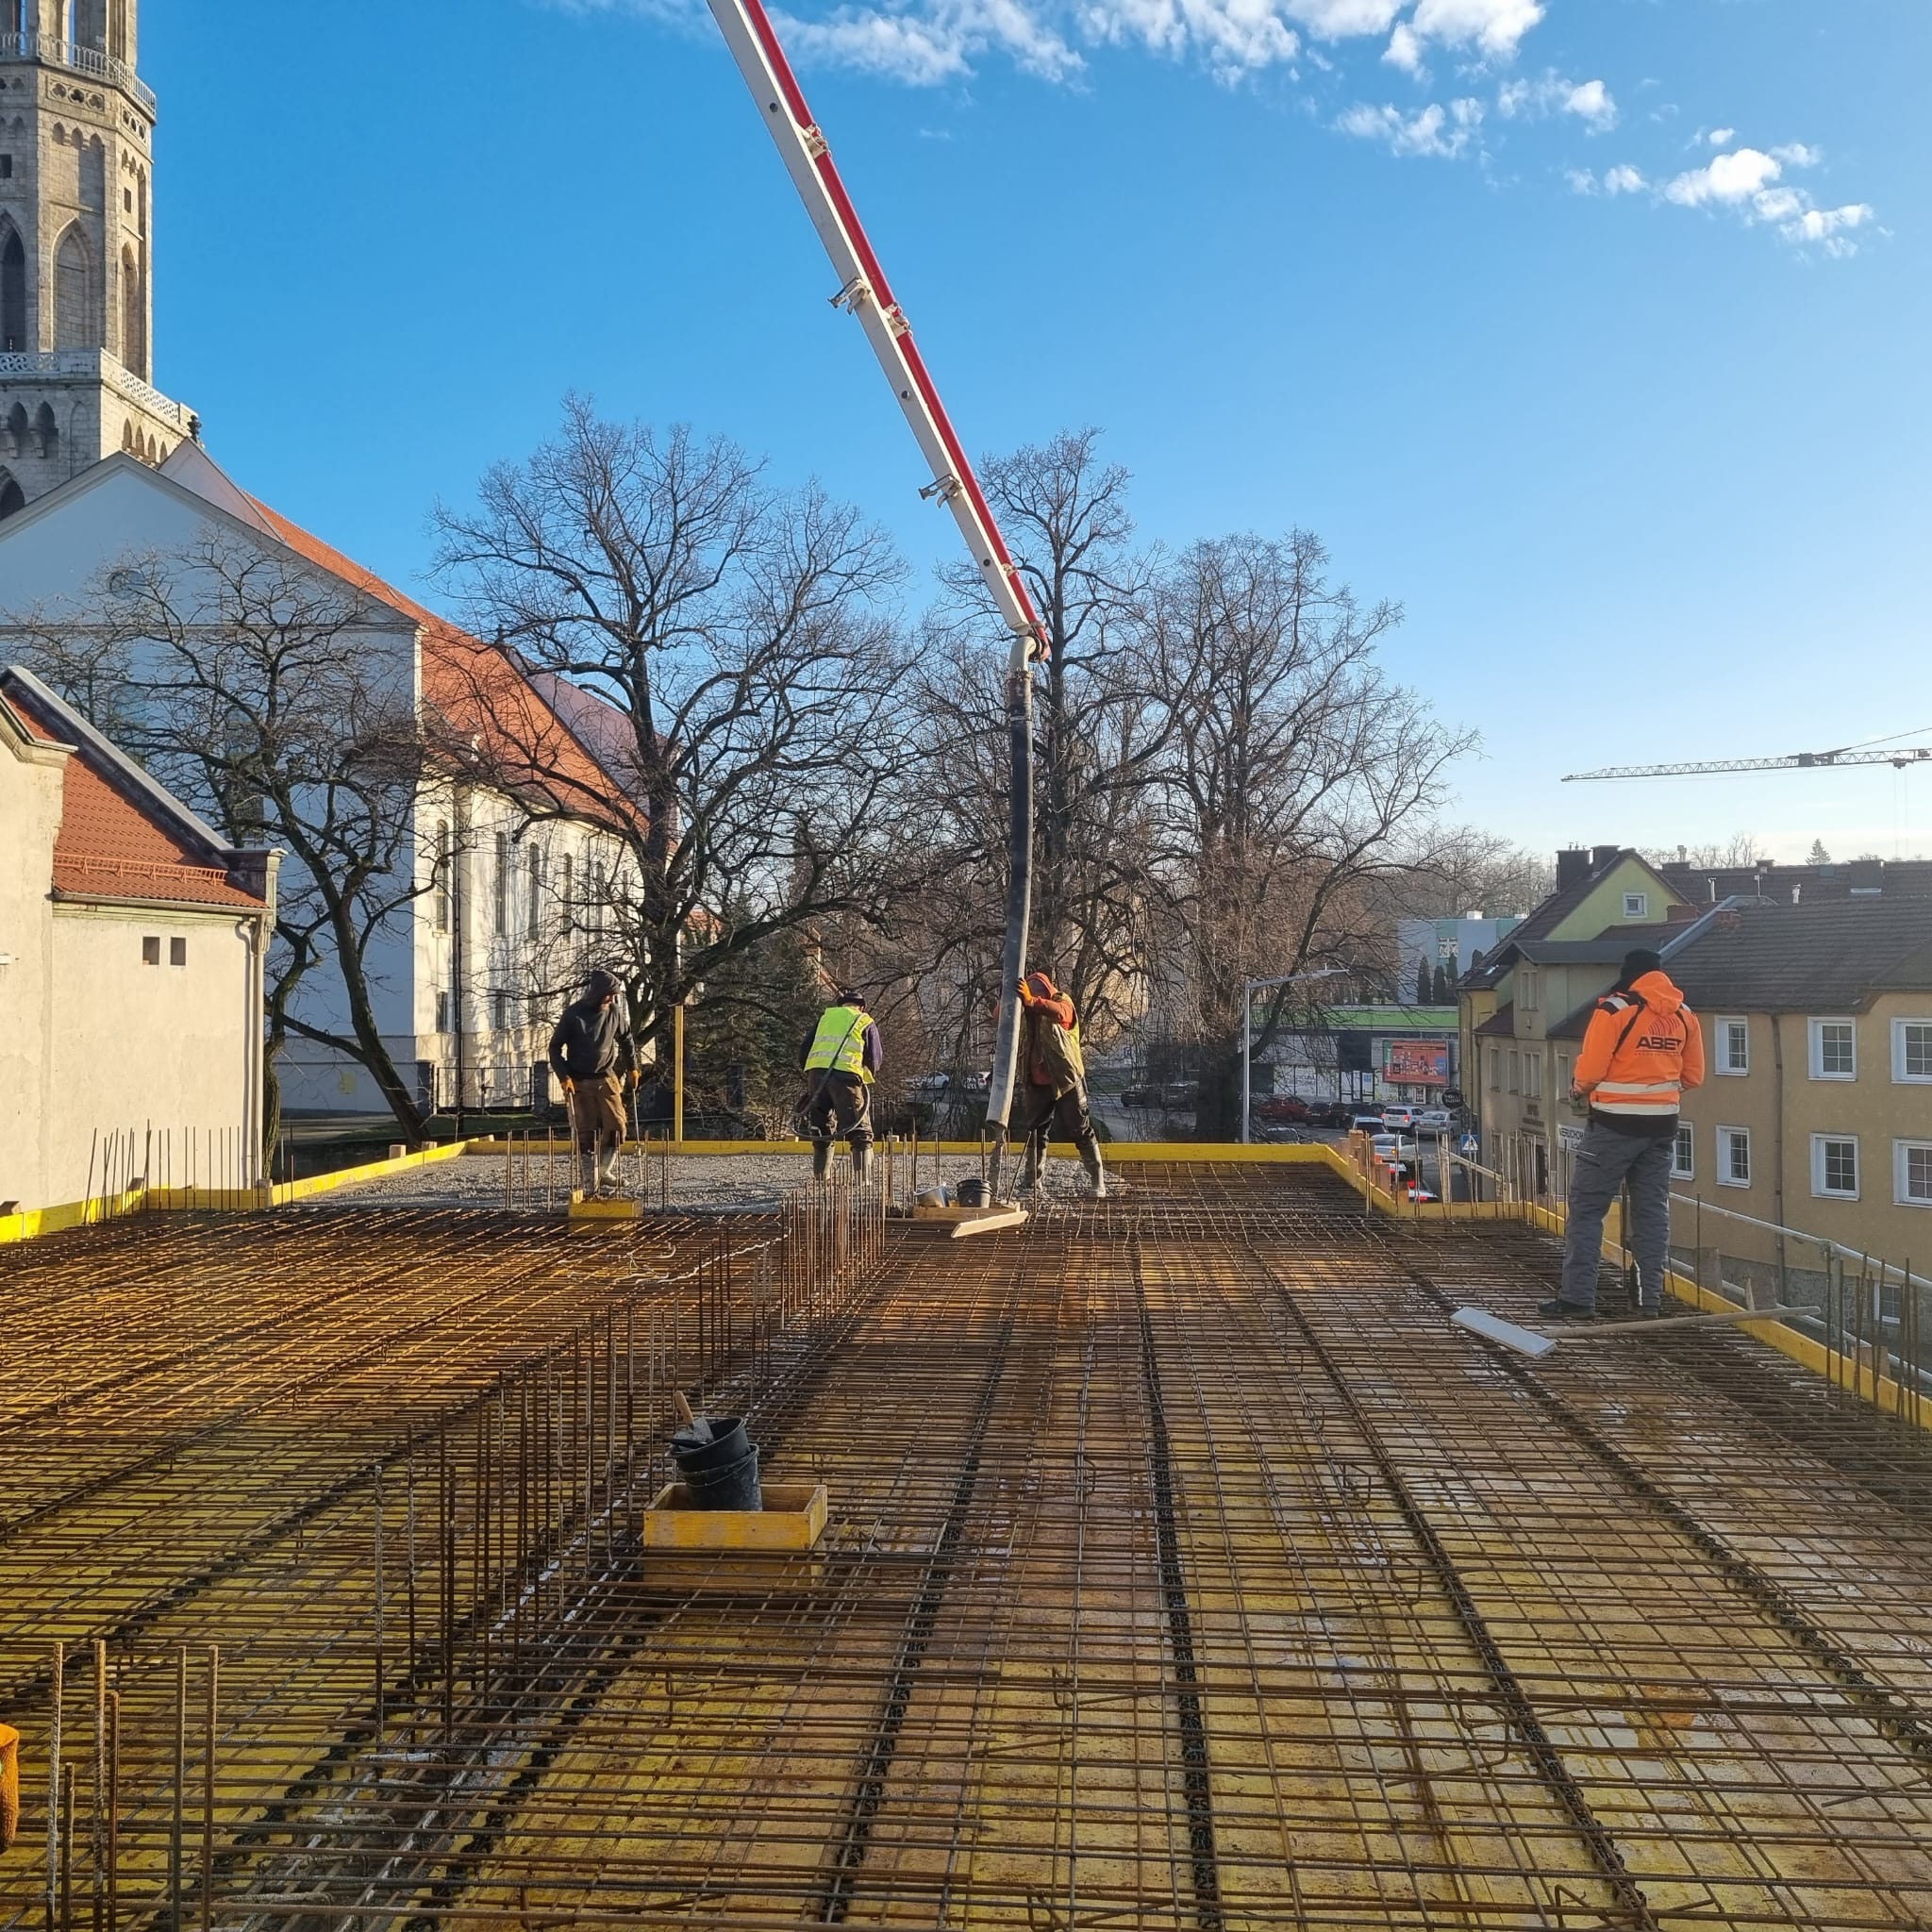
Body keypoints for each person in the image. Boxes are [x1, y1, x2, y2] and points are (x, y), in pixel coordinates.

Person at [1539, 947, 1704, 1320]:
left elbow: (1592, 1069)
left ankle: (1578, 1299)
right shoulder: (1685, 1015)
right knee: (1651, 1213)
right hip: (1662, 1128)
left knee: (1586, 1211)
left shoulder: (1614, 1009)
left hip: (1613, 1127)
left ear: (1628, 975)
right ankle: (1649, 1301)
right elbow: (1693, 1077)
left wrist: (1580, 1088)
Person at [1016, 971, 1108, 1199]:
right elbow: (1000, 1017)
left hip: (1066, 1080)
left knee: (1080, 1129)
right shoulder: (1025, 1012)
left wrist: (1032, 1001)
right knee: (1036, 1131)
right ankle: (1032, 1182)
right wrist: (1010, 1000)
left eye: (1037, 993)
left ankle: (1098, 1181)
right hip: (1037, 1081)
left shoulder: (1061, 1001)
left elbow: (1061, 1014)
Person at [548, 970, 639, 1196]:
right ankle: (590, 1179)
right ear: (598, 993)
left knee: (617, 1127)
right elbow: (554, 1047)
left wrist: (632, 1067)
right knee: (586, 1131)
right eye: (608, 995)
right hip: (580, 1081)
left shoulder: (614, 1013)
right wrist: (563, 1076)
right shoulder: (574, 1015)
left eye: (614, 995)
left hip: (607, 1079)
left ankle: (604, 1171)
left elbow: (626, 1039)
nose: (611, 999)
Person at [800, 987, 882, 1181]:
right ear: (861, 1007)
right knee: (859, 1128)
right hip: (846, 1077)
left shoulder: (825, 1019)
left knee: (821, 1128)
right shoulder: (864, 1020)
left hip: (816, 1076)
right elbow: (875, 1056)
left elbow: (804, 1048)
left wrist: (812, 1072)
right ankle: (864, 1180)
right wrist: (865, 1075)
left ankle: (821, 1177)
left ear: (841, 1005)